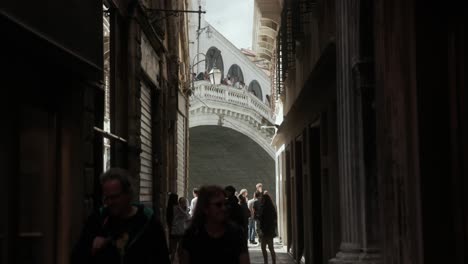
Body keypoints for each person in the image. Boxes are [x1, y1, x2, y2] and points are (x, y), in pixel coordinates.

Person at [71, 168, 170, 264]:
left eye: (114, 197)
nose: (110, 202)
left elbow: (162, 259)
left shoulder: (149, 224)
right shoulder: (97, 220)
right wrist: (91, 249)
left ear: (128, 194)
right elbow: (76, 257)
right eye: (106, 198)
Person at [180, 185, 250, 264]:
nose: (224, 208)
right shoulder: (192, 236)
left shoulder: (236, 234)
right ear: (205, 208)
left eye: (225, 204)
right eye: (218, 205)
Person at [258, 194, 277, 264]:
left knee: (265, 248)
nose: (261, 200)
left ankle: (267, 262)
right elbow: (274, 219)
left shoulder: (265, 208)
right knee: (270, 248)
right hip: (269, 230)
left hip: (266, 230)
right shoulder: (271, 208)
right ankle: (272, 262)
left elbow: (263, 219)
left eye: (262, 199)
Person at [170, 197, 190, 263]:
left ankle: (176, 261)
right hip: (177, 231)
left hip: (180, 231)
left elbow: (187, 218)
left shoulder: (181, 208)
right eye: (183, 202)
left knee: (179, 250)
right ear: (180, 202)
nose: (184, 203)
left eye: (185, 202)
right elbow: (186, 216)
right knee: (175, 249)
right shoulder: (177, 208)